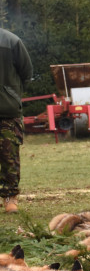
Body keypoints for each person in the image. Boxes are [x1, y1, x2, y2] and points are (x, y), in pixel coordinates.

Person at [0, 24, 33, 213]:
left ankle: (10, 197)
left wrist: (12, 93)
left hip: (8, 111)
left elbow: (26, 73)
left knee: (9, 156)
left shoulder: (11, 41)